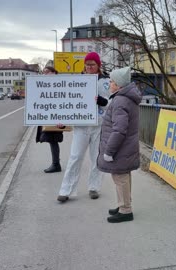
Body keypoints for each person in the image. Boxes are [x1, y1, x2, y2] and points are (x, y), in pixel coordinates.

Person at [57, 52, 110, 202]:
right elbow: (68, 102)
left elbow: (113, 103)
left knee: (96, 158)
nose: (89, 67)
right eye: (87, 65)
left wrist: (102, 101)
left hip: (99, 126)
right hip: (81, 126)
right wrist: (63, 120)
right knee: (75, 157)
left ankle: (94, 187)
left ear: (98, 65)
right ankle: (66, 190)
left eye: (92, 65)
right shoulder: (77, 81)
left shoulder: (106, 81)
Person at [97, 66, 142, 223]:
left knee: (120, 177)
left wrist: (109, 152)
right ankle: (123, 204)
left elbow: (119, 130)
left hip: (120, 149)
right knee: (124, 176)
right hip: (126, 148)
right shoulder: (125, 98)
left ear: (118, 85)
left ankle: (125, 210)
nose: (109, 84)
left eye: (111, 82)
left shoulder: (120, 101)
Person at [36, 65, 65, 173]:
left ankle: (56, 164)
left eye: (47, 72)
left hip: (56, 118)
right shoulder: (46, 85)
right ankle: (55, 163)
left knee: (53, 140)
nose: (45, 74)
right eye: (43, 72)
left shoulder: (60, 84)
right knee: (51, 141)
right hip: (48, 117)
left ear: (54, 73)